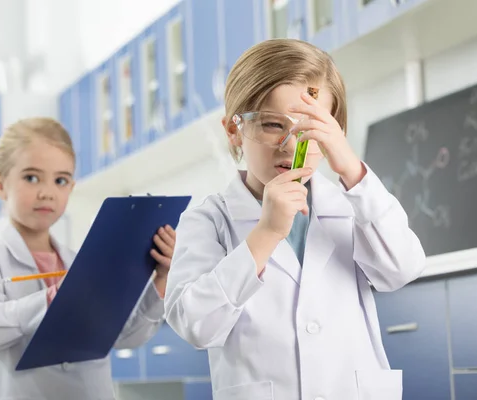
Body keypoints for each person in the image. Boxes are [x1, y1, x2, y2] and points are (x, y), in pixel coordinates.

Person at [164, 39, 426, 399]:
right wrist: (266, 234)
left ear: (336, 132)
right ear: (234, 129)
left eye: (313, 127)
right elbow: (195, 323)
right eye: (273, 125)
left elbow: (402, 268)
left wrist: (351, 169)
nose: (291, 144)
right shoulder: (209, 220)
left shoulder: (351, 205)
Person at [0, 117, 176, 400]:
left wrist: (161, 278)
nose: (47, 192)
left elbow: (124, 336)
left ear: (70, 188)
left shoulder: (79, 262)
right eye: (31, 177)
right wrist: (50, 300)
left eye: (61, 180)